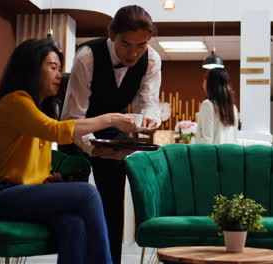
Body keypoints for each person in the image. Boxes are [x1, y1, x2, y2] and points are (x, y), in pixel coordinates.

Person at [0, 39, 140, 264]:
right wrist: (111, 118)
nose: (59, 75)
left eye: (59, 68)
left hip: (22, 192)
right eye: (52, 67)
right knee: (88, 193)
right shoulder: (15, 101)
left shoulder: (36, 108)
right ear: (31, 68)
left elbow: (29, 161)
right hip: (1, 195)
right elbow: (57, 131)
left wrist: (48, 179)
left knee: (73, 224)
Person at [60, 5, 161, 263]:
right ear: (111, 34)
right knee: (75, 210)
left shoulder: (152, 59)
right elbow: (73, 118)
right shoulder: (87, 56)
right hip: (77, 133)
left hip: (112, 134)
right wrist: (92, 149)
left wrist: (147, 120)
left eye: (141, 45)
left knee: (112, 206)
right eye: (126, 44)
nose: (134, 53)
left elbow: (147, 104)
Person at [196, 68, 238, 144]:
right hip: (229, 154)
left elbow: (207, 140)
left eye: (205, 79)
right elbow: (235, 138)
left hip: (212, 155)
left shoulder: (208, 105)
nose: (203, 83)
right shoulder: (233, 108)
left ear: (211, 83)